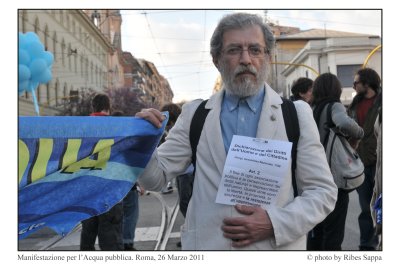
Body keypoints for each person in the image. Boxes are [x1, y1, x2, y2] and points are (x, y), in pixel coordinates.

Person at [136, 12, 337, 250]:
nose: (246, 59)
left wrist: (274, 223)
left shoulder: (295, 115)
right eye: (234, 50)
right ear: (216, 59)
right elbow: (154, 179)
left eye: (255, 50)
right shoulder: (195, 115)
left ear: (267, 57)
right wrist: (142, 141)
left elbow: (322, 192)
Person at [308, 73, 364, 250]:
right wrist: (360, 133)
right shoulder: (334, 106)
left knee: (316, 229)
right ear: (335, 89)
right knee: (334, 231)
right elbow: (344, 123)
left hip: (312, 175)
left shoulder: (312, 108)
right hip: (332, 176)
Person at [80, 94, 124, 251]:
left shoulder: (81, 126)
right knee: (110, 235)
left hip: (87, 188)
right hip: (110, 187)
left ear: (93, 107)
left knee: (88, 233)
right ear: (109, 107)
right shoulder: (117, 126)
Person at [348, 68, 382, 250]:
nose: (354, 85)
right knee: (365, 209)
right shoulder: (354, 104)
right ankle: (366, 247)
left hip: (380, 164)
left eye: (356, 82)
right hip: (360, 164)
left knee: (382, 207)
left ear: (367, 83)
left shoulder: (383, 102)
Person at [111, 110, 144, 251]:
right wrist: (139, 183)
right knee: (131, 215)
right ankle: (127, 243)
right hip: (128, 185)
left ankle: (119, 242)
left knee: (118, 216)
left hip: (113, 186)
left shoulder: (109, 139)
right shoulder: (127, 139)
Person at [159, 103, 182, 194]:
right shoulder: (179, 128)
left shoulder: (177, 130)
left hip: (186, 172)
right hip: (184, 171)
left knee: (185, 203)